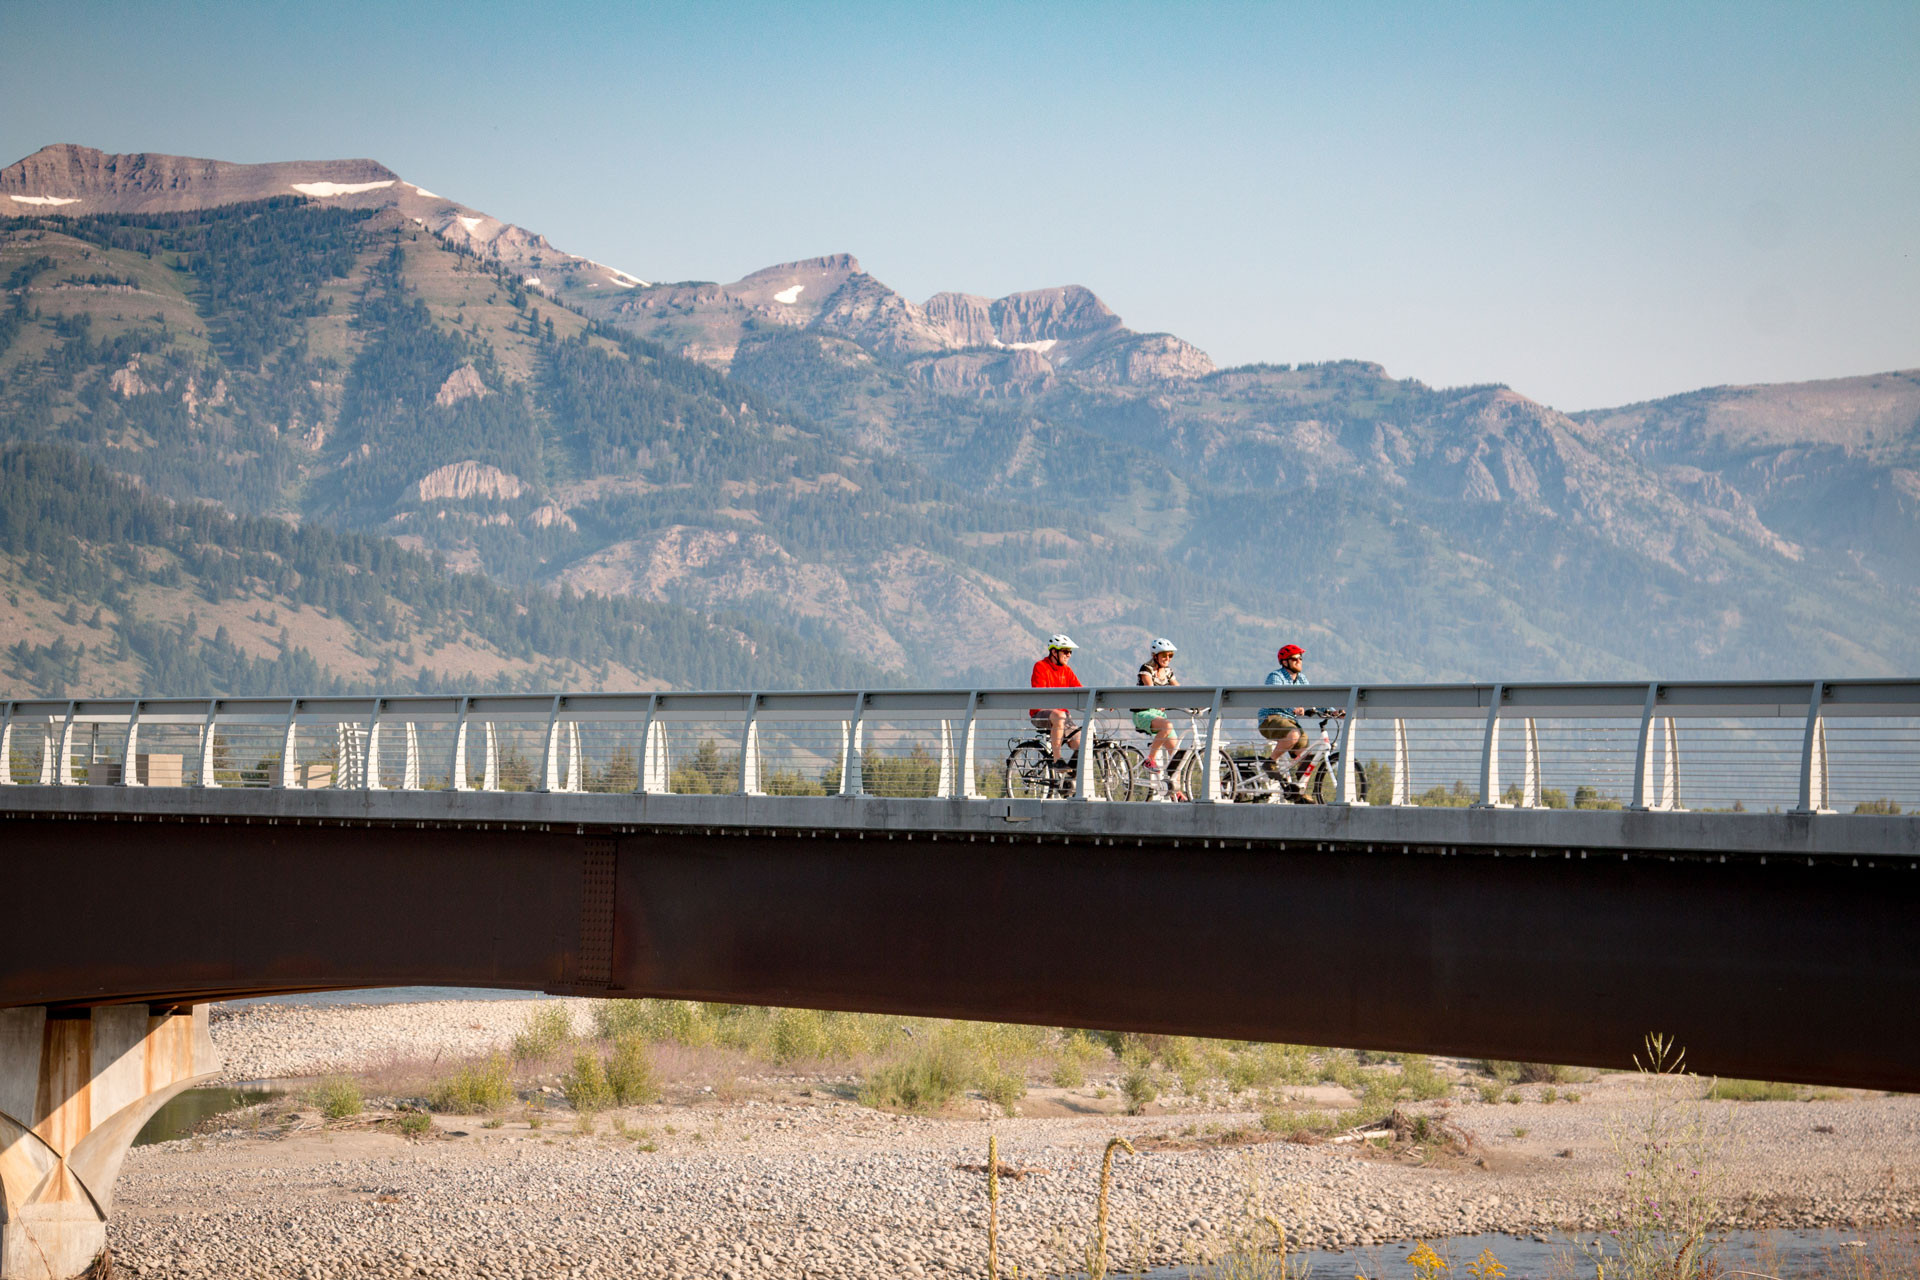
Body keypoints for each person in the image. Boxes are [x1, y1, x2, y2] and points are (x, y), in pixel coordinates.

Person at [1258, 644, 1343, 776]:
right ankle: (1270, 762)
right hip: (1270, 718)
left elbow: (1312, 698)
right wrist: (1293, 708)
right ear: (1285, 662)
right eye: (1295, 659)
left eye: (1300, 658)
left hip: (1290, 722)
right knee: (1294, 735)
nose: (1299, 661)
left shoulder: (1301, 679)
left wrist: (1333, 712)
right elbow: (1277, 696)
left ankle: (1298, 790)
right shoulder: (1275, 676)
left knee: (1306, 756)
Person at [1029, 634, 1083, 764]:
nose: (1069, 655)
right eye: (1065, 651)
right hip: (1040, 713)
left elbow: (1081, 690)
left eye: (1070, 652)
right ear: (1054, 652)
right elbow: (1040, 693)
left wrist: (1102, 701)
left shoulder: (1067, 670)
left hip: (1063, 716)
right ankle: (1057, 760)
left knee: (1082, 744)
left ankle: (1070, 780)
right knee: (1059, 715)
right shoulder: (1040, 666)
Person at [1134, 638, 1181, 787]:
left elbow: (1179, 690)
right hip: (1143, 713)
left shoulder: (1168, 671)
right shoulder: (1146, 669)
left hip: (1159, 714)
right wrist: (1159, 702)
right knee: (1167, 726)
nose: (1167, 659)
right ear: (1155, 656)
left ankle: (1177, 791)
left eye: (1170, 655)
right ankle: (1150, 760)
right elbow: (1150, 689)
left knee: (1177, 755)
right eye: (1164, 655)